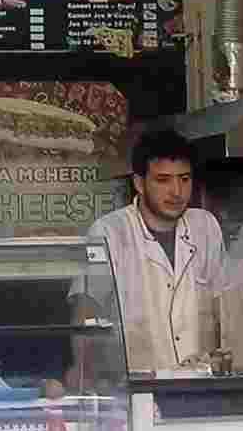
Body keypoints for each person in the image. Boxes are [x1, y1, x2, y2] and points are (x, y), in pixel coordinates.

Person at [92, 126, 230, 378]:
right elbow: (86, 308)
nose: (176, 191)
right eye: (163, 180)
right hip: (138, 383)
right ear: (139, 183)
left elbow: (226, 305)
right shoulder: (110, 231)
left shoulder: (205, 226)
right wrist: (84, 374)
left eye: (184, 179)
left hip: (201, 382)